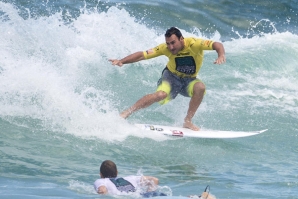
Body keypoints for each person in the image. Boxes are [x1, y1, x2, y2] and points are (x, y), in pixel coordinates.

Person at [109, 27, 225, 131]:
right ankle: (126, 113)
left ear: (181, 39)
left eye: (173, 43)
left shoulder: (195, 44)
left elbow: (217, 45)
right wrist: (122, 61)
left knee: (200, 87)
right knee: (160, 95)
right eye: (168, 43)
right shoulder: (165, 48)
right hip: (171, 77)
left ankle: (187, 121)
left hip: (189, 80)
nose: (170, 47)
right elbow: (142, 55)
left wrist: (221, 55)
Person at [94, 160, 215, 199]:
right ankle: (196, 197)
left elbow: (103, 190)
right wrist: (150, 193)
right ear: (117, 173)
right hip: (147, 195)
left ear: (100, 174)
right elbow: (154, 180)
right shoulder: (129, 178)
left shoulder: (101, 181)